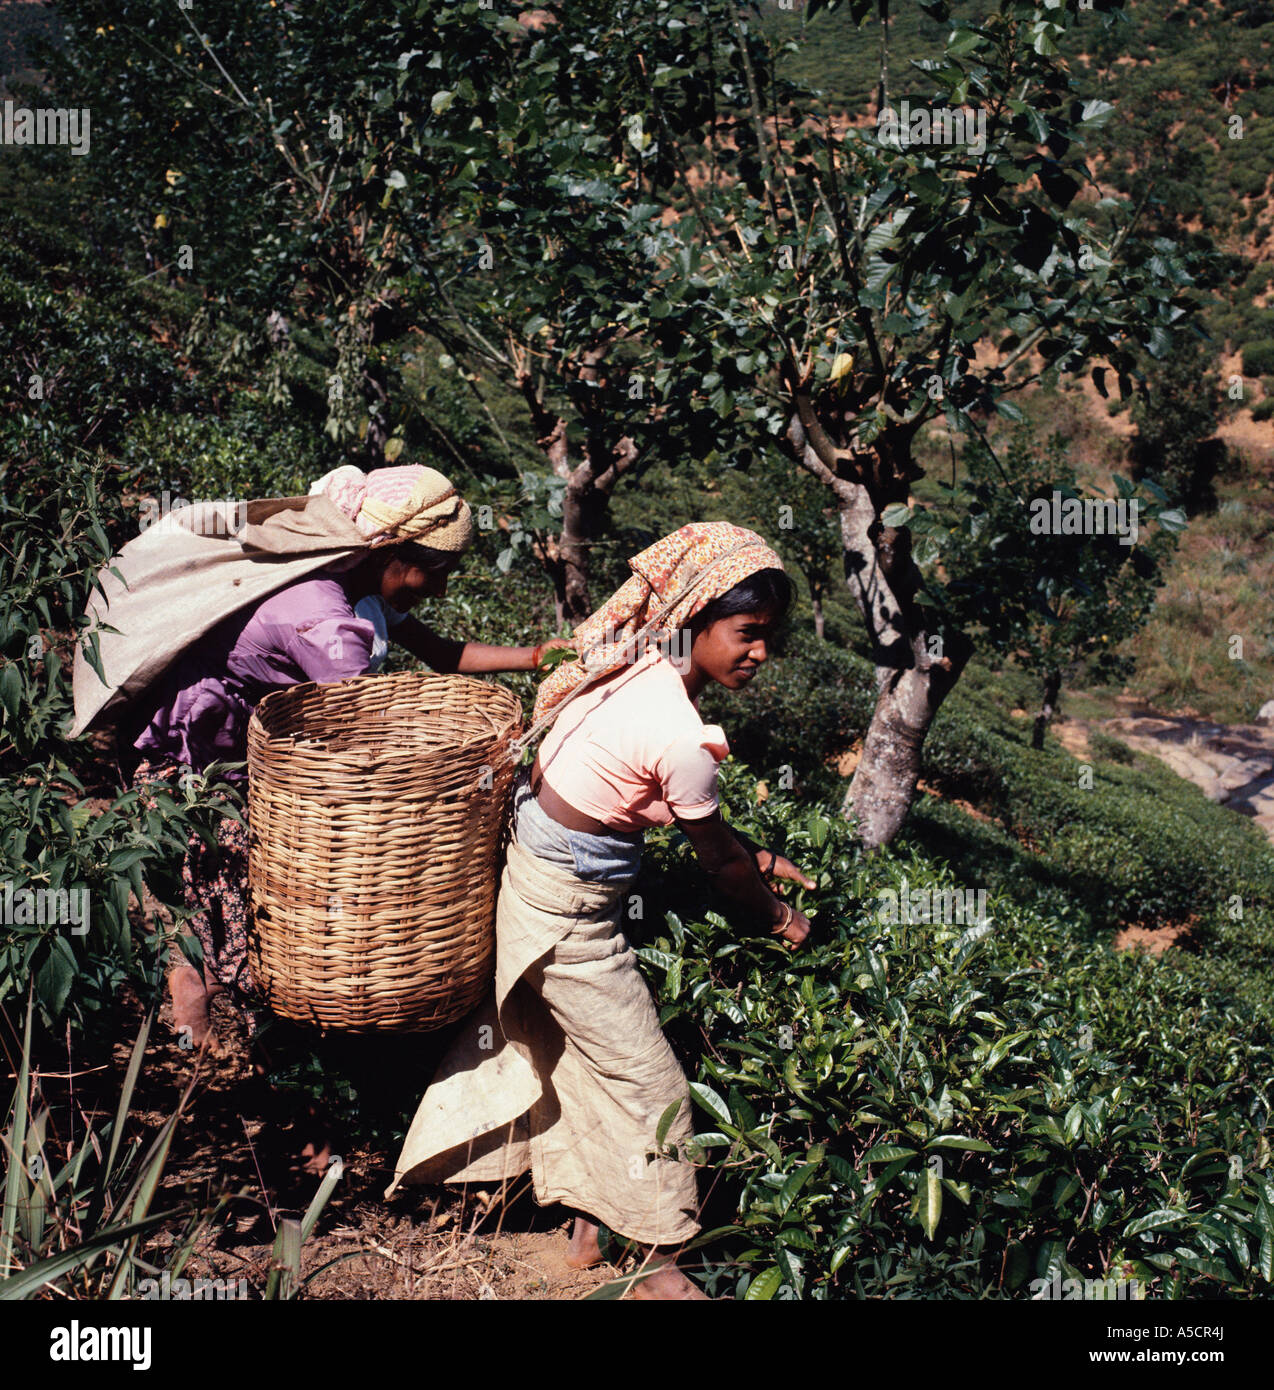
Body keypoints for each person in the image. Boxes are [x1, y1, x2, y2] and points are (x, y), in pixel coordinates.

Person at [387, 521, 815, 1300]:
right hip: (568, 918)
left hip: (542, 876)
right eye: (748, 634)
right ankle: (657, 1263)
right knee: (655, 1091)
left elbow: (710, 835)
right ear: (695, 620)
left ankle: (589, 1224)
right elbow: (717, 863)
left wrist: (750, 852)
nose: (760, 655)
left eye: (768, 639)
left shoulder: (630, 663)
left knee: (589, 1060)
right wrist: (782, 918)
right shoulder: (683, 735)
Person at [129, 463, 567, 1069]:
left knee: (203, 904)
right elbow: (374, 738)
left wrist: (538, 655)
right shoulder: (324, 617)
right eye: (434, 572)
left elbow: (440, 653)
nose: (439, 589)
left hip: (227, 761)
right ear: (388, 549)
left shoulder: (355, 585)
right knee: (233, 922)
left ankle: (211, 1040)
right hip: (194, 770)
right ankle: (229, 1074)